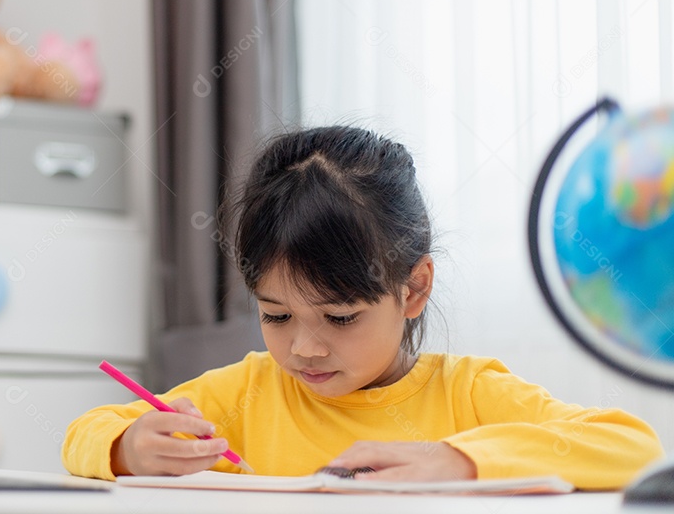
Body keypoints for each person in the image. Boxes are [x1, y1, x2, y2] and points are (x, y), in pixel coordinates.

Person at [62, 126, 664, 488]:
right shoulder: (247, 392)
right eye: (276, 315)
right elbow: (86, 431)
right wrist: (129, 448)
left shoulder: (467, 395)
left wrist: (458, 461)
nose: (304, 347)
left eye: (340, 317)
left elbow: (633, 445)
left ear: (414, 289)